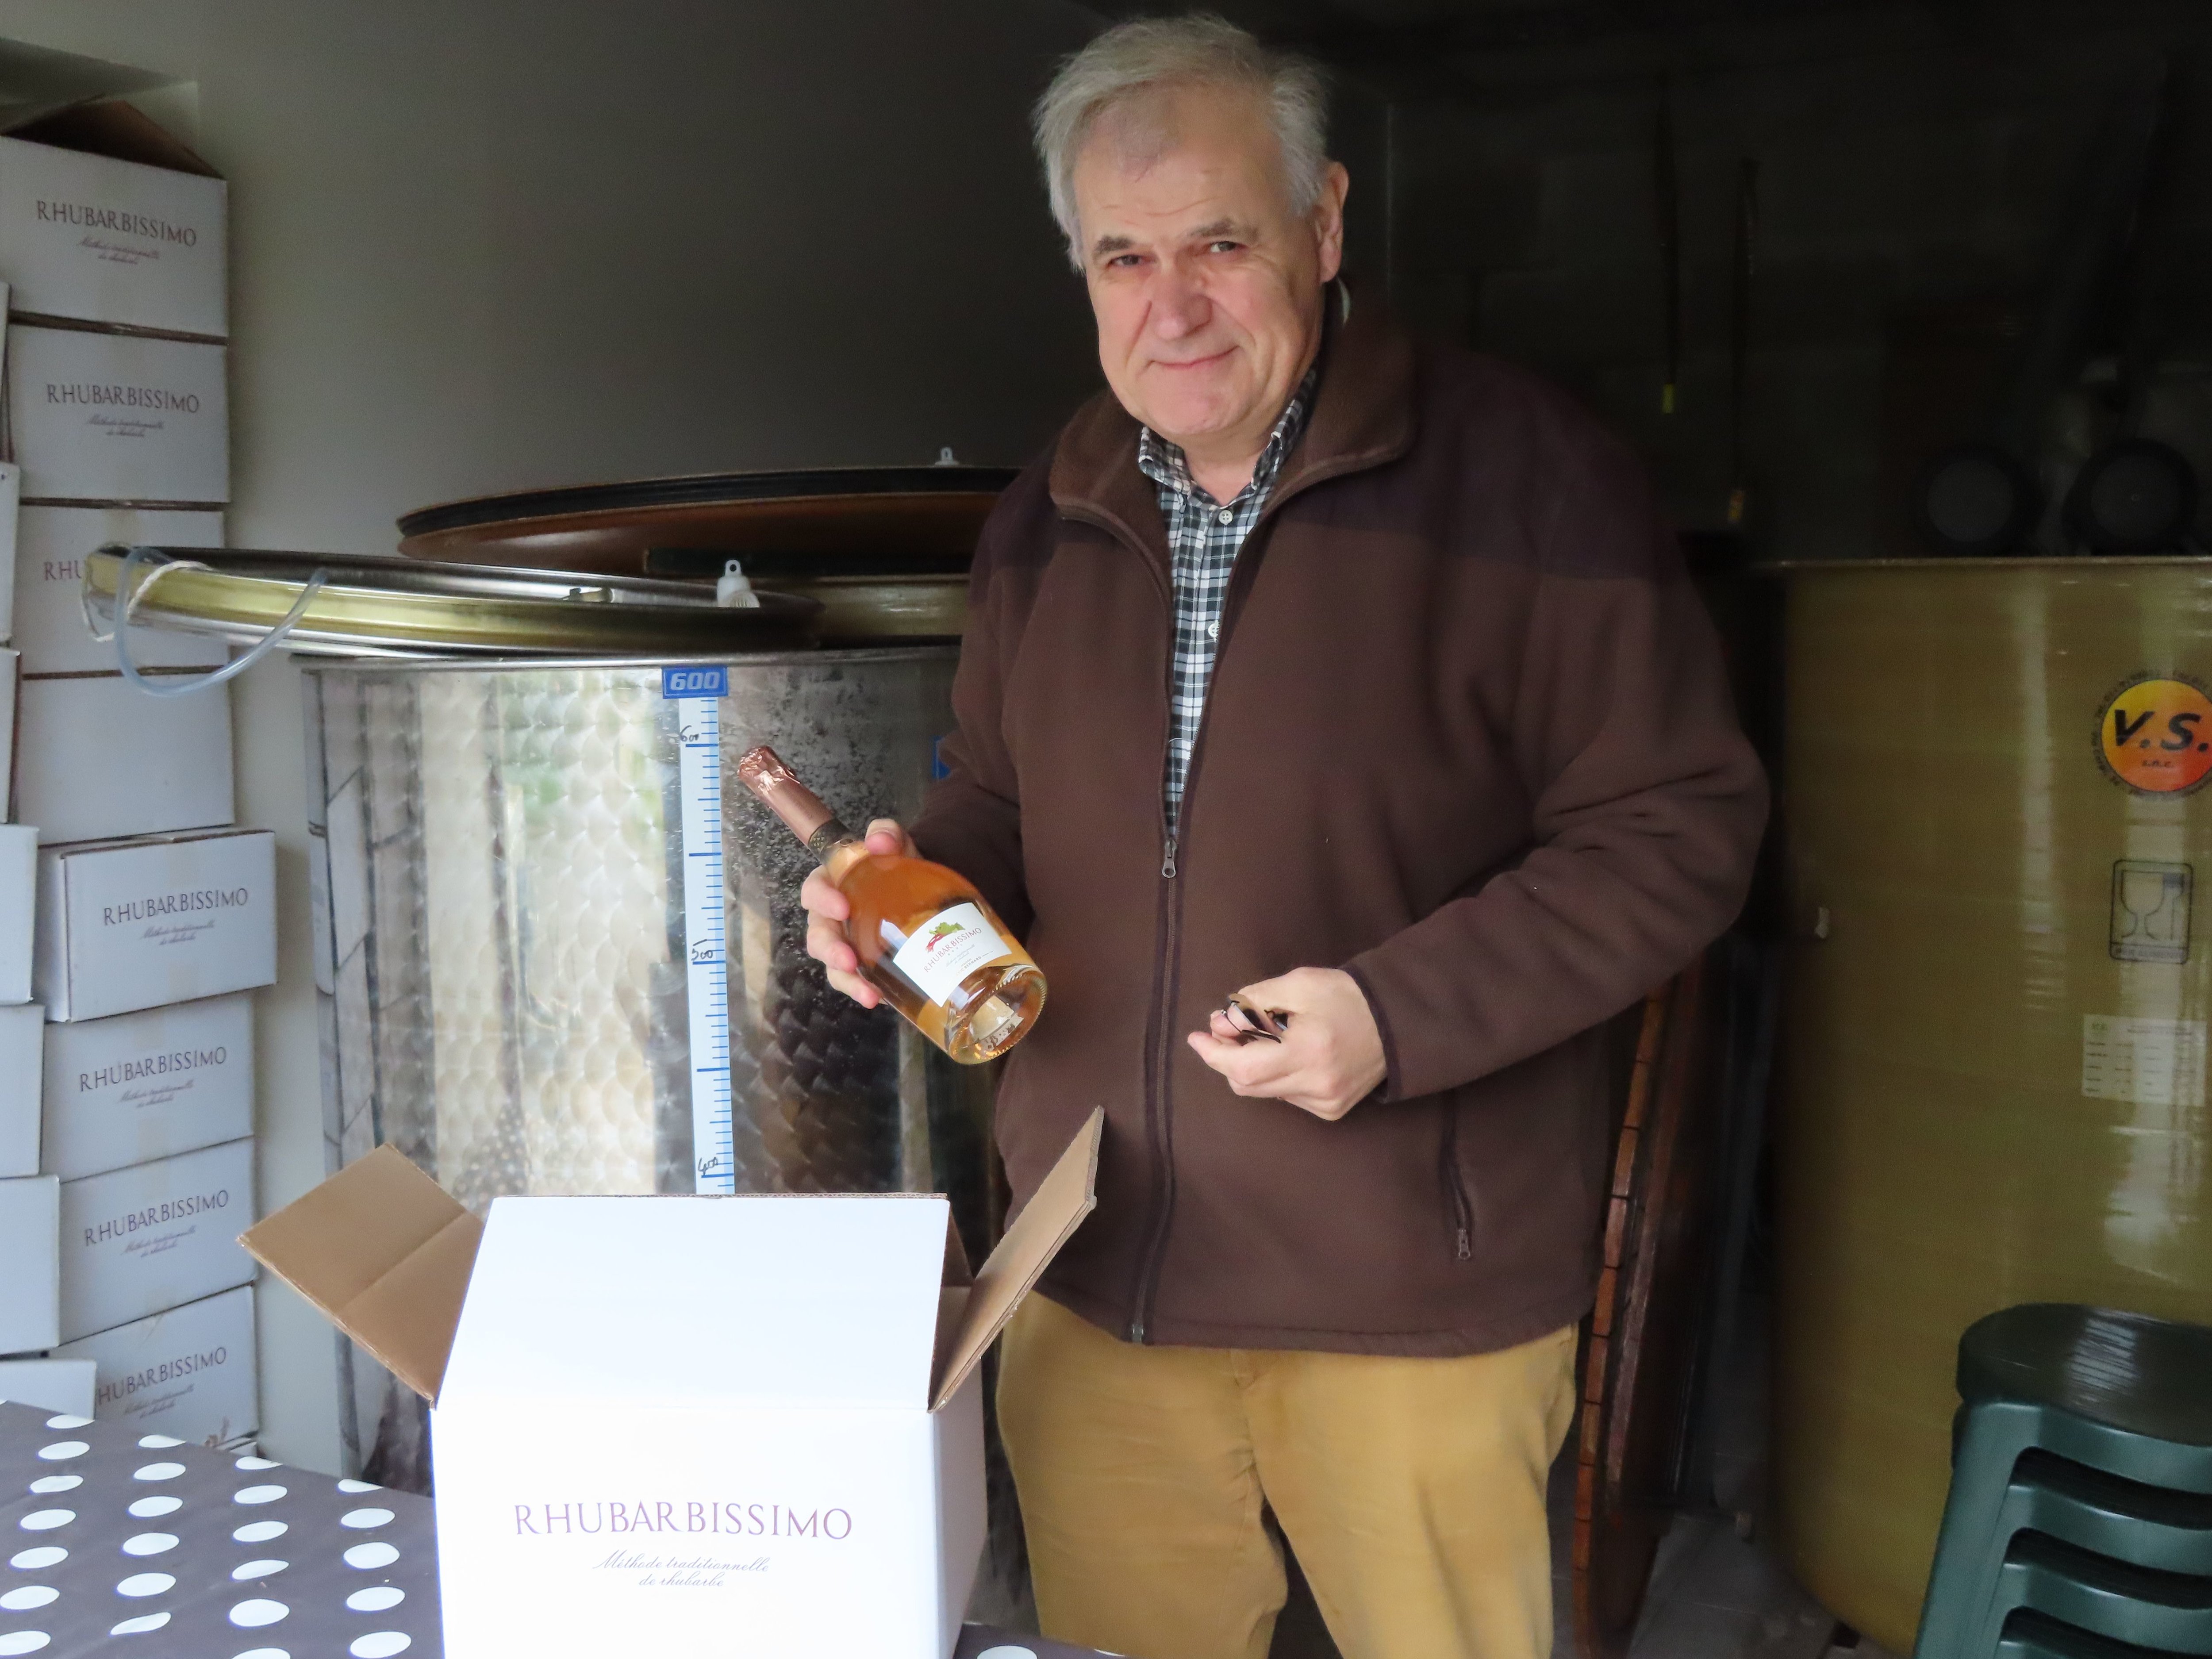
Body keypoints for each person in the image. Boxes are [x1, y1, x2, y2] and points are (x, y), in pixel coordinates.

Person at [800, 15, 1767, 1659]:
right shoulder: (1048, 508)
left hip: (1412, 1291)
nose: (1168, 305)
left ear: (1323, 227)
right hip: (1098, 1274)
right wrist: (906, 897)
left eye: (1219, 244)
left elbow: (1676, 827)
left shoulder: (1528, 480)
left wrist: (1400, 1015)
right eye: (1120, 256)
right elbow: (1000, 807)